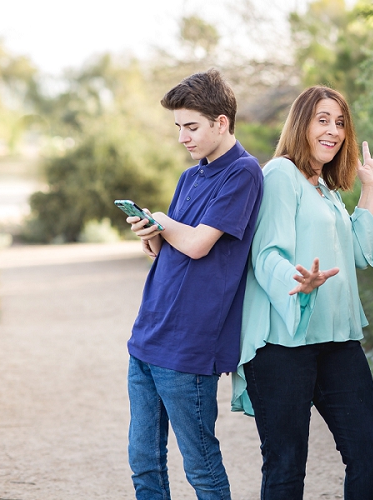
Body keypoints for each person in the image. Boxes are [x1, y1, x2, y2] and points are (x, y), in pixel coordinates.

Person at [231, 85, 373, 499]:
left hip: (337, 341)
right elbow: (265, 253)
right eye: (323, 120)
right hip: (283, 343)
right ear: (301, 124)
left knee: (371, 451)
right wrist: (297, 282)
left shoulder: (326, 188)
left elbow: (362, 253)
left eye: (340, 123)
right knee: (286, 465)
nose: (334, 130)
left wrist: (371, 189)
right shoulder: (281, 174)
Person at [123, 68, 264, 500]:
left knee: (200, 466)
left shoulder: (243, 173)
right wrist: (151, 234)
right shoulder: (189, 176)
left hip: (190, 346)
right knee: (143, 462)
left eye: (191, 126)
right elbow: (170, 249)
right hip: (148, 334)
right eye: (178, 127)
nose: (183, 137)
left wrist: (163, 222)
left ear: (221, 122)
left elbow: (200, 244)